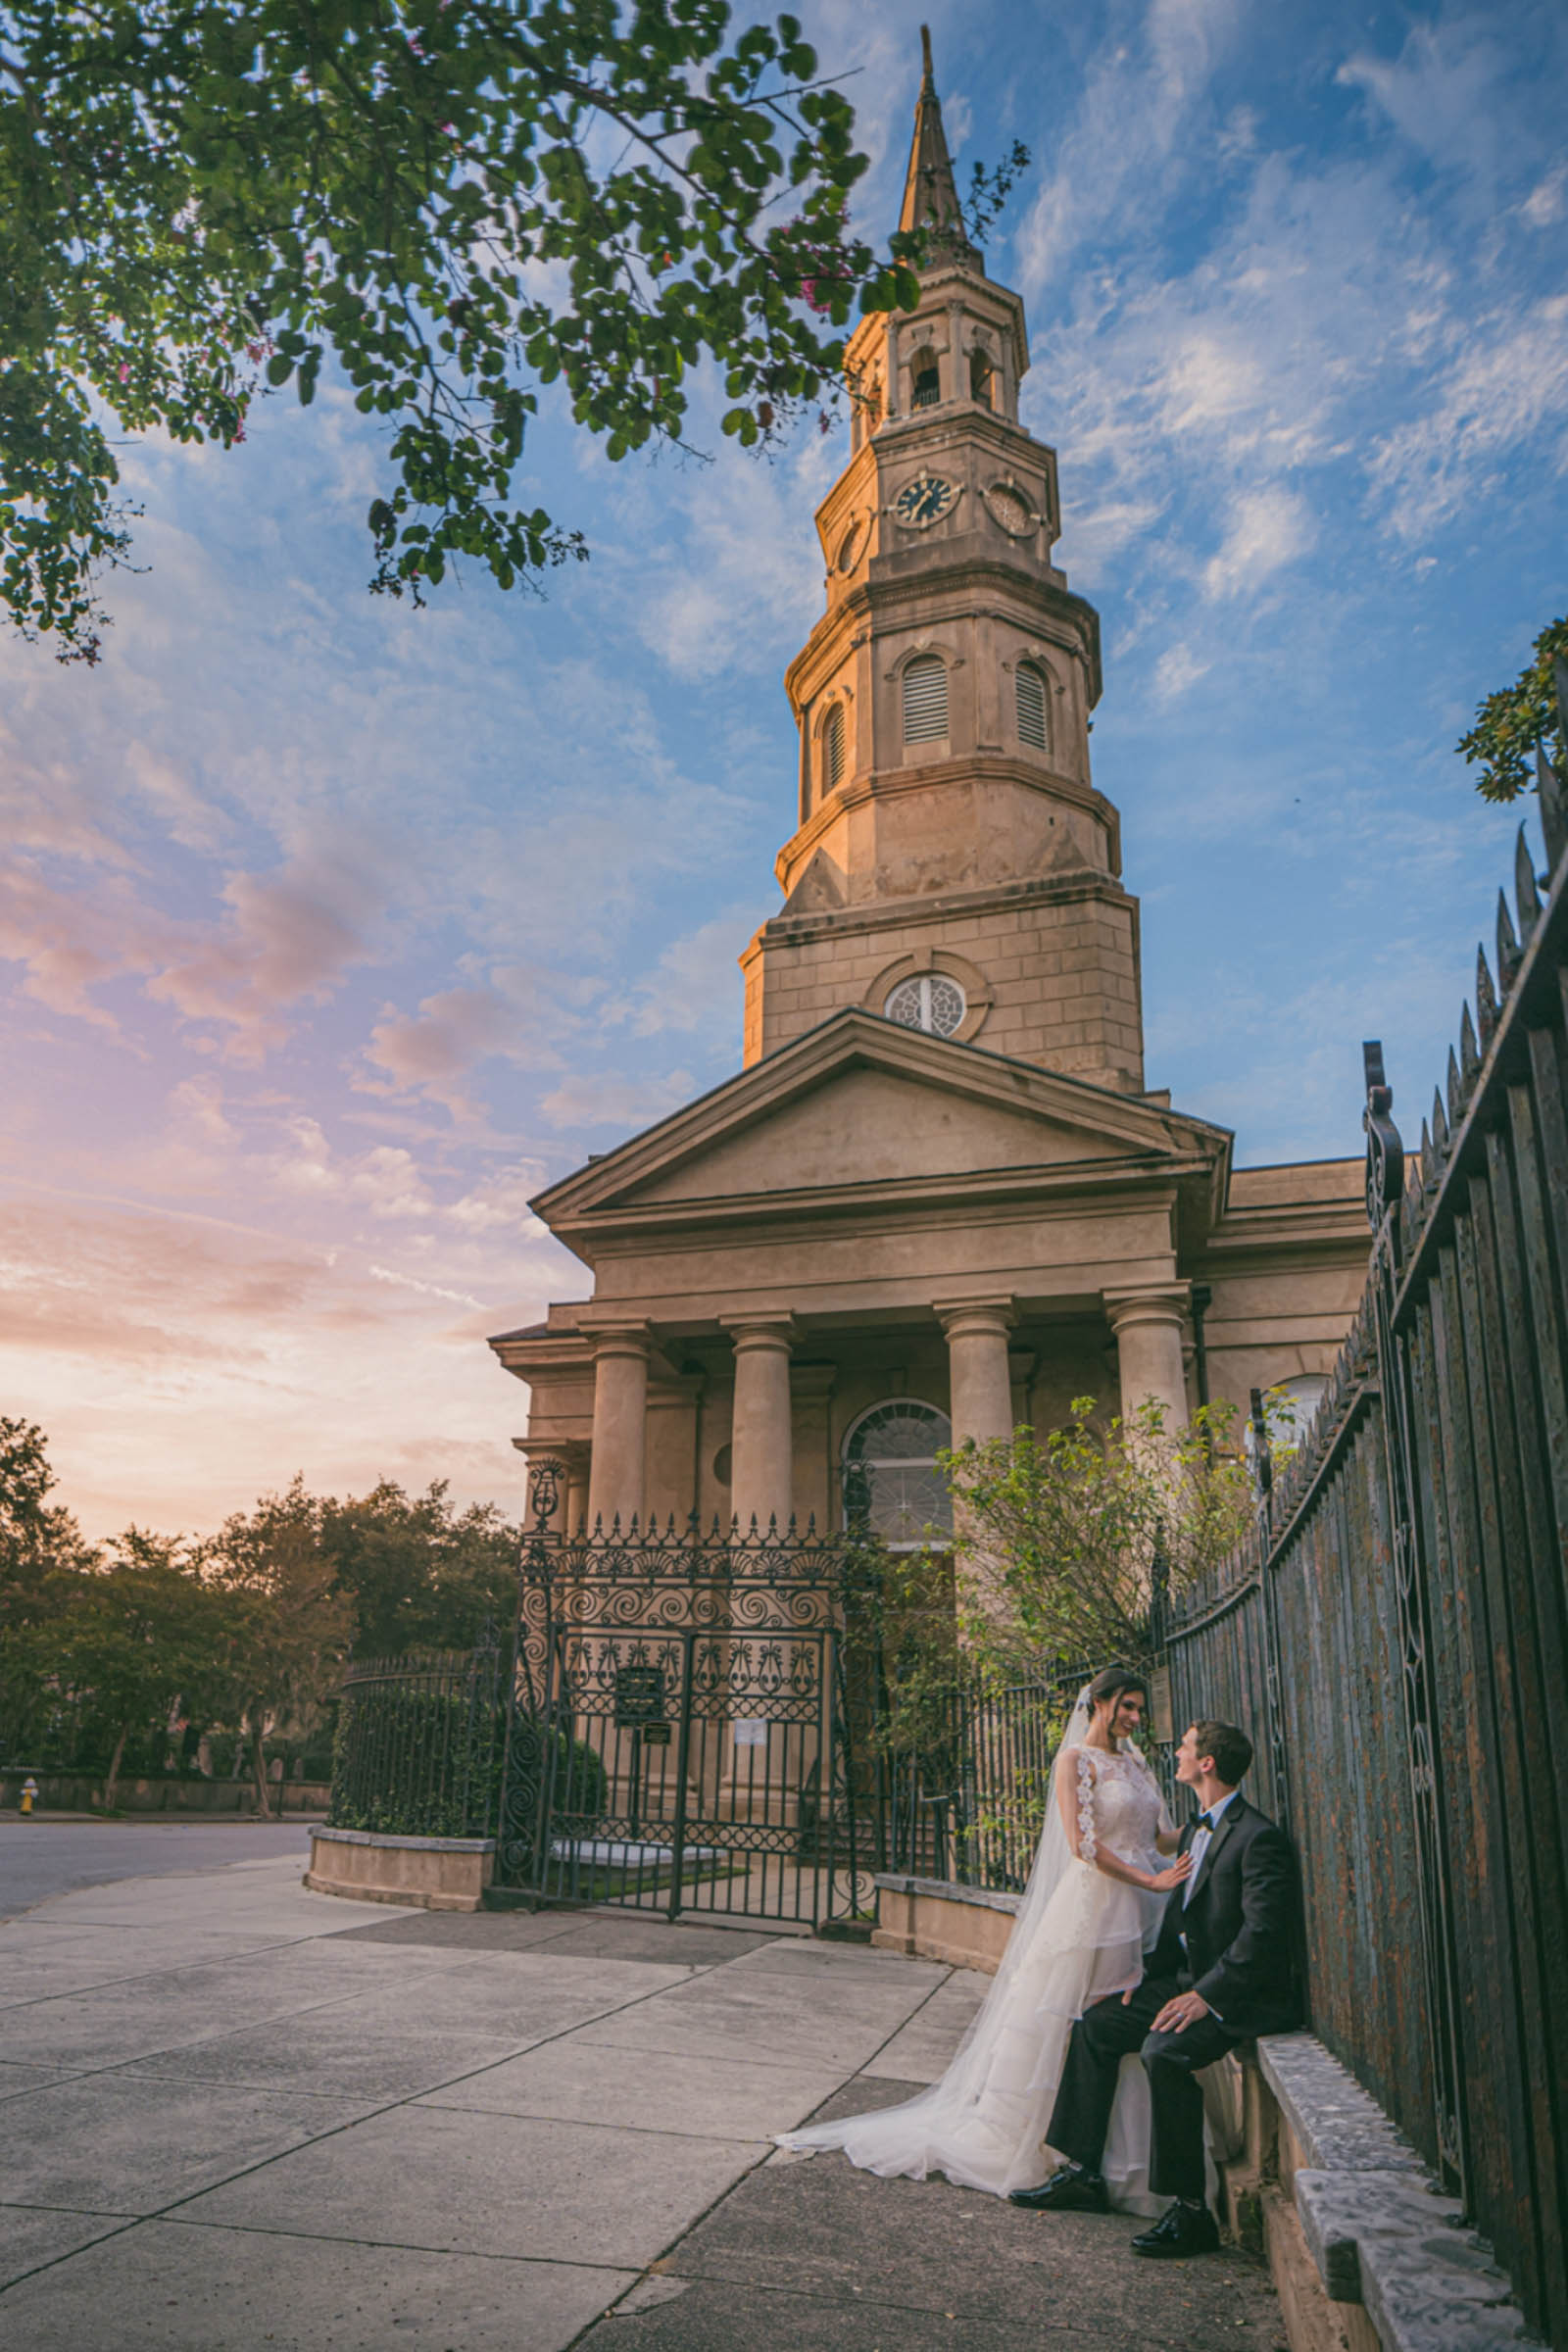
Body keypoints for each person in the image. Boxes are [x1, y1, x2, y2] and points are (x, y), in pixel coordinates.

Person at [775, 1666, 1191, 2208]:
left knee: (1114, 2022)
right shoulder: (1075, 1762)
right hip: (1098, 1908)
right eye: (1127, 1707)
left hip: (1143, 1910)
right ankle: (1049, 2149)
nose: (1136, 1718)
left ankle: (1116, 2159)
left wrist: (1203, 1824)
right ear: (1100, 1703)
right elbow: (1082, 1846)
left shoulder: (1136, 1761)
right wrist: (1148, 1877)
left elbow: (1157, 1835)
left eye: (1140, 1709)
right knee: (1067, 2021)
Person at [1009, 1716, 1301, 2257]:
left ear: (1206, 1763)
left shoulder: (1259, 1839)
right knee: (1096, 2025)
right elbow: (1179, 1922)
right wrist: (1140, 1980)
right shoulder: (1195, 1830)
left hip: (1235, 1997)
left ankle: (1192, 2212)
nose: (1179, 1755)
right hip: (1180, 1982)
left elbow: (1261, 1937)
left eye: (1187, 1748)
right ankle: (1084, 2173)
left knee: (1162, 2053)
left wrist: (1204, 1995)